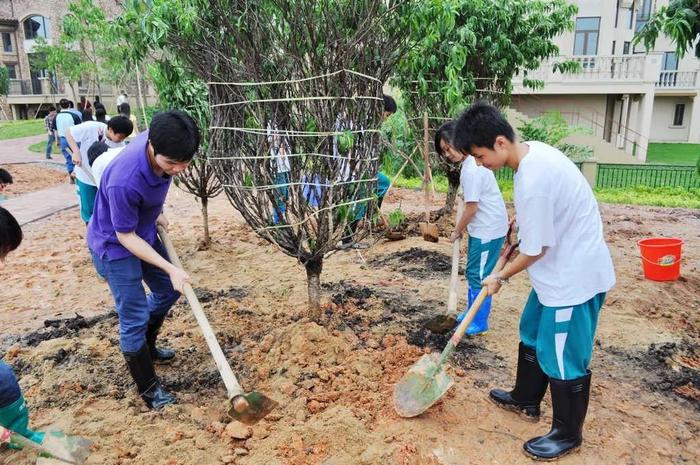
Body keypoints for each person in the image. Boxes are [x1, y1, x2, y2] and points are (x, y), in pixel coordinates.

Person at [453, 101, 615, 460]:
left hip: (572, 280)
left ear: (499, 142)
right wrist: (519, 224)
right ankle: (526, 398)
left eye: (479, 156)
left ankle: (567, 433)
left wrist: (499, 276)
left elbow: (536, 249)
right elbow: (539, 223)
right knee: (531, 329)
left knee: (562, 355)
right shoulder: (534, 154)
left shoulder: (534, 180)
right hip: (555, 274)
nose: (480, 165)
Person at [87, 110, 199, 409]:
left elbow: (157, 184)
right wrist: (170, 267)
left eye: (185, 164)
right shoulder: (124, 179)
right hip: (116, 245)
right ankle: (149, 390)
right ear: (151, 146)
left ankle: (146, 346)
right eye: (171, 163)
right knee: (133, 315)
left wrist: (154, 211)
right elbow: (125, 236)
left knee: (167, 291)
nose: (178, 170)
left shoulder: (166, 150)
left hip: (144, 233)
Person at [435, 120, 508, 335]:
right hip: (482, 228)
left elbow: (472, 208)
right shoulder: (470, 165)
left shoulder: (472, 170)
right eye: (444, 151)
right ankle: (471, 312)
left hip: (488, 229)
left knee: (479, 274)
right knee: (473, 271)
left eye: (449, 147)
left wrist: (457, 230)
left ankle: (479, 320)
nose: (448, 154)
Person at [66, 116, 134, 223]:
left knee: (105, 211)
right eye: (120, 137)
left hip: (104, 181)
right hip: (86, 176)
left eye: (125, 138)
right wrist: (76, 151)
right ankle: (91, 235)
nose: (122, 140)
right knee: (89, 213)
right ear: (110, 130)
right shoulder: (91, 127)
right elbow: (68, 132)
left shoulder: (120, 146)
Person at [52, 99, 81, 182]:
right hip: (74, 140)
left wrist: (57, 141)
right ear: (69, 105)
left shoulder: (56, 117)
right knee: (77, 157)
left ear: (60, 106)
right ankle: (78, 176)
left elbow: (55, 130)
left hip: (63, 140)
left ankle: (71, 176)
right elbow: (79, 129)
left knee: (68, 158)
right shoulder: (74, 116)